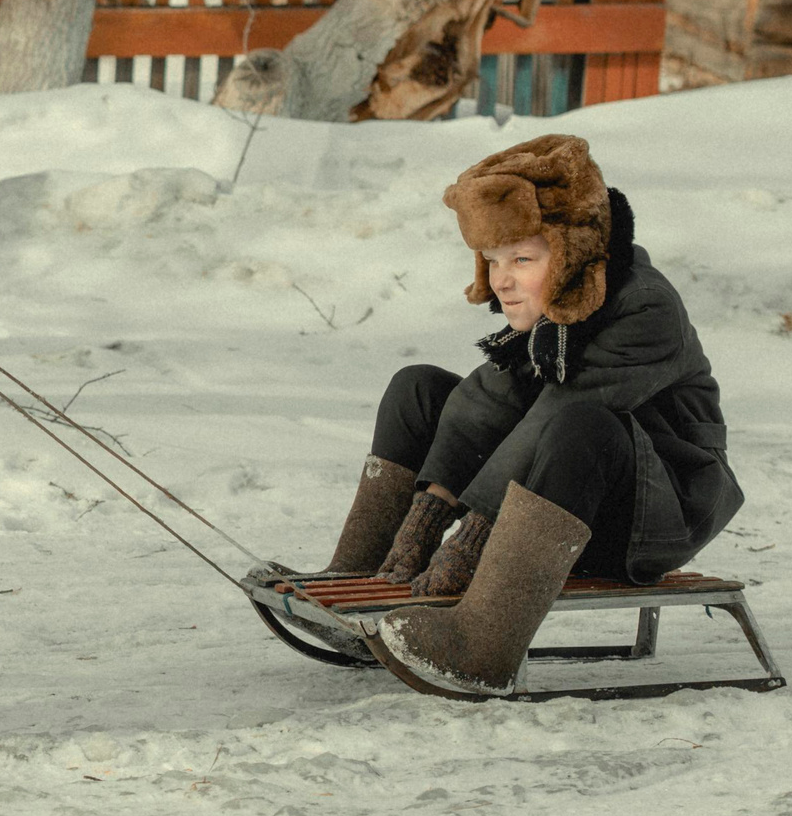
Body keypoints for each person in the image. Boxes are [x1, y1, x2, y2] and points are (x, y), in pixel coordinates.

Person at [301, 134, 742, 698]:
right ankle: (364, 573)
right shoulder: (558, 306)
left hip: (653, 512)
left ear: (573, 251)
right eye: (494, 261)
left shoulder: (644, 305)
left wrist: (468, 540)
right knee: (420, 389)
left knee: (579, 423)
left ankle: (483, 643)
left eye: (523, 260)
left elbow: (555, 416)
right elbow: (490, 403)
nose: (503, 279)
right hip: (558, 497)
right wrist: (423, 527)